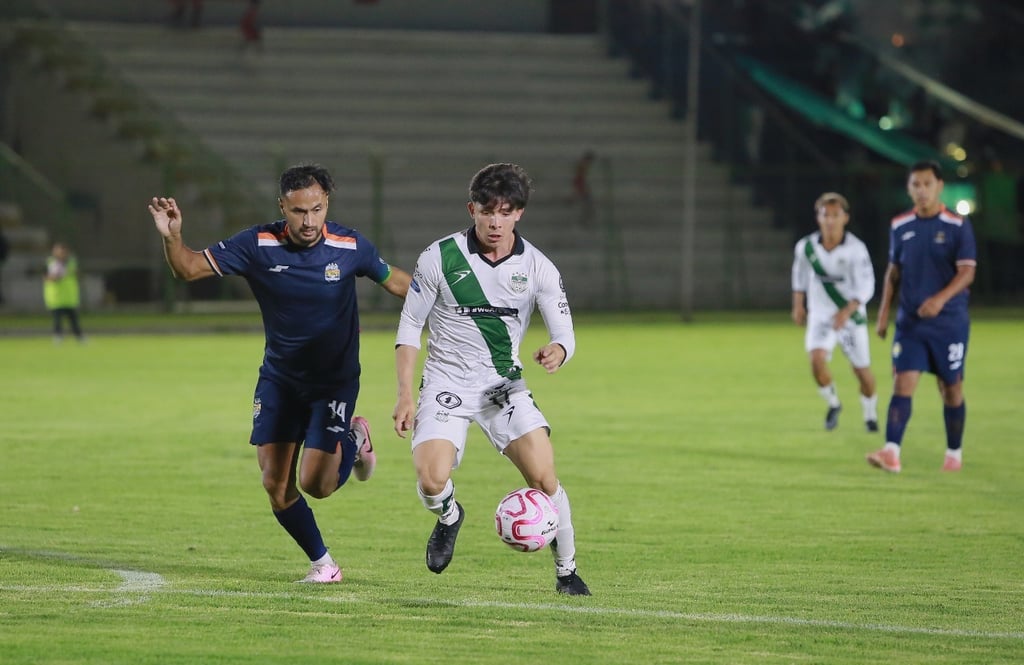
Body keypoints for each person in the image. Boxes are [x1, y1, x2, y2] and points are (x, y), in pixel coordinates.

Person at [148, 164, 411, 582]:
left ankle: (354, 437)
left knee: (317, 485)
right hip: (281, 379)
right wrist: (173, 237)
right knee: (275, 482)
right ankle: (324, 565)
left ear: (327, 204)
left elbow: (395, 281)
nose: (309, 221)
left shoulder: (350, 246)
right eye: (299, 211)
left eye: (317, 209)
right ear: (282, 207)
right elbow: (188, 269)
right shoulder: (257, 244)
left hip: (333, 381)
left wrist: (449, 303)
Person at [392, 162, 591, 596]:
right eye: (487, 212)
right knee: (431, 479)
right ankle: (449, 516)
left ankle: (567, 572)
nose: (495, 222)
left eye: (505, 212)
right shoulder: (439, 257)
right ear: (473, 210)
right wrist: (405, 394)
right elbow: (409, 327)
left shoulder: (538, 267)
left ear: (519, 213)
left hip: (502, 388)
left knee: (545, 479)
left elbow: (565, 333)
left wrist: (558, 351)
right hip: (446, 383)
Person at [868, 160, 977, 473]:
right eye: (916, 184)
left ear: (939, 186)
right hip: (911, 323)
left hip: (949, 323)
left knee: (951, 388)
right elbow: (893, 271)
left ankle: (953, 454)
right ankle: (891, 452)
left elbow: (967, 272)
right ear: (908, 188)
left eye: (928, 184)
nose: (922, 190)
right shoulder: (900, 225)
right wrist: (883, 313)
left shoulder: (957, 225)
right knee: (902, 383)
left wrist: (940, 300)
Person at [791, 192, 878, 432]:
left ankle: (870, 414)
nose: (830, 220)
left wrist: (847, 311)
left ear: (845, 218)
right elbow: (799, 277)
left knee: (861, 371)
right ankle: (833, 403)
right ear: (818, 218)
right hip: (820, 317)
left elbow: (867, 285)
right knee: (816, 361)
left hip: (850, 318)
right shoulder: (806, 247)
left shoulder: (856, 249)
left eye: (835, 215)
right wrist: (798, 305)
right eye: (825, 215)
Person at [44, 241, 86, 343]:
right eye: (59, 252)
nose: (61, 254)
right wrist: (56, 276)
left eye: (63, 252)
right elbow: (47, 278)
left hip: (69, 297)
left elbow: (79, 275)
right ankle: (58, 337)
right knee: (57, 320)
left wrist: (75, 273)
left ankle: (79, 337)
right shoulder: (51, 263)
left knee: (73, 319)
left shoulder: (71, 263)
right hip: (56, 297)